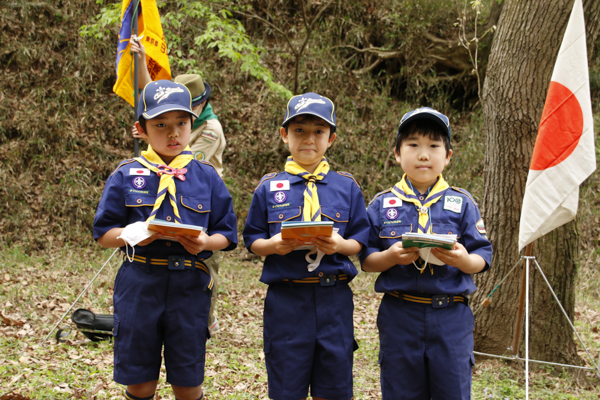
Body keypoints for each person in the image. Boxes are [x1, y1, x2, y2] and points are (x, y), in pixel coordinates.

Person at [93, 80, 238, 400]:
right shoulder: (126, 174)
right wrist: (131, 235)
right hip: (139, 282)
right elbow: (103, 233)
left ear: (191, 125)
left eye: (181, 124)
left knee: (187, 380)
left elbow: (227, 235)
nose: (173, 133)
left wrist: (204, 243)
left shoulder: (206, 176)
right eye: (161, 125)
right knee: (139, 378)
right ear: (141, 129)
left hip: (189, 284)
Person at [243, 93, 370, 400]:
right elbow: (252, 240)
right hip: (287, 300)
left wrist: (340, 244)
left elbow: (360, 241)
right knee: (287, 387)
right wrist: (273, 245)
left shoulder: (347, 186)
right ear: (284, 135)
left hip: (334, 299)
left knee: (334, 386)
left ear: (332, 138)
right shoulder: (269, 186)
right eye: (299, 130)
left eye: (318, 131)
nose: (308, 139)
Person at [360, 107, 493, 400]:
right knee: (400, 390)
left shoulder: (463, 203)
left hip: (451, 316)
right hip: (399, 313)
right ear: (397, 153)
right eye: (413, 145)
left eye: (434, 146)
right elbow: (366, 260)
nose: (424, 154)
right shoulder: (381, 205)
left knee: (453, 391)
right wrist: (391, 256)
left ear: (448, 156)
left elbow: (482, 256)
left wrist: (463, 260)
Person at [131, 39, 226, 333]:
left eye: (191, 107)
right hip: (168, 194)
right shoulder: (178, 118)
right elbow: (152, 98)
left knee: (203, 262)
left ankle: (204, 321)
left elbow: (184, 162)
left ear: (202, 104)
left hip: (200, 199)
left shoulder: (210, 129)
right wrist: (140, 60)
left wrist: (156, 140)